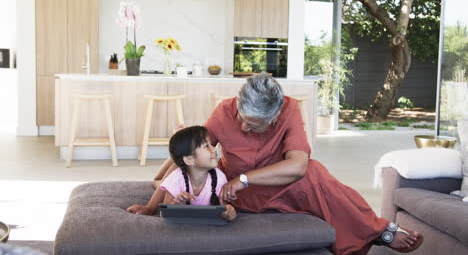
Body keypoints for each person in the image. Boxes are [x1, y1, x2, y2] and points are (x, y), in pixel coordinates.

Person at [130, 73, 423, 255]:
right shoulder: (224, 112)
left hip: (273, 183)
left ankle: (379, 232)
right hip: (237, 192)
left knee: (316, 175)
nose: (245, 129)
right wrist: (158, 180)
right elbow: (192, 147)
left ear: (274, 116)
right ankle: (380, 232)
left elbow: (297, 166)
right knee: (316, 183)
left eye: (255, 125)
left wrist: (245, 178)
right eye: (243, 120)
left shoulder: (290, 109)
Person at [127, 126, 237, 221]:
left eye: (211, 144)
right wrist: (177, 205)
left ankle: (179, 156)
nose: (214, 149)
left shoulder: (219, 178)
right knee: (158, 181)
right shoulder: (176, 178)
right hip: (179, 172)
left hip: (183, 168)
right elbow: (165, 212)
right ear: (189, 160)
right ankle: (175, 158)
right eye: (206, 146)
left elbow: (224, 207)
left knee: (165, 181)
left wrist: (229, 210)